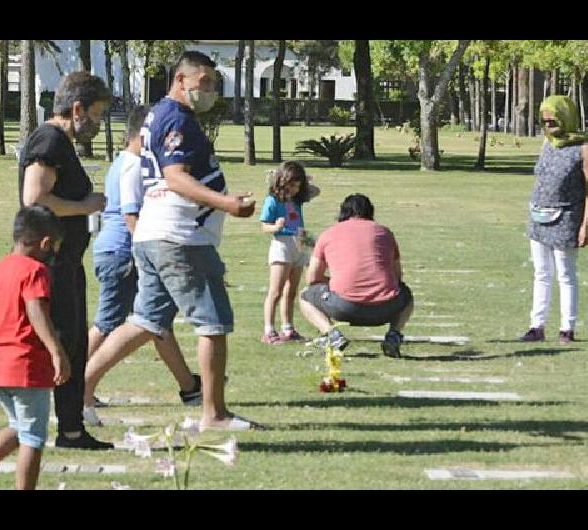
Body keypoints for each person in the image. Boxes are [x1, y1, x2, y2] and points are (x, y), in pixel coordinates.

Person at [83, 51, 258, 431]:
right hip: (180, 238)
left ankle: (77, 390)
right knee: (213, 323)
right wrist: (226, 204)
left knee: (145, 321)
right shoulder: (176, 117)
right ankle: (214, 415)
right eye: (204, 82)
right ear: (181, 80)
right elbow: (176, 177)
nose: (209, 90)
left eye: (214, 83)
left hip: (155, 233)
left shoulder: (159, 116)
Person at [0, 71, 113, 450]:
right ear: (76, 108)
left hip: (66, 259)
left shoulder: (61, 141)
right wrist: (84, 206)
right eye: (95, 113)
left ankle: (72, 430)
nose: (97, 123)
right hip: (51, 261)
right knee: (55, 343)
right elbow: (35, 197)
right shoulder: (49, 140)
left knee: (71, 342)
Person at [83, 106, 201, 424]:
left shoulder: (125, 162)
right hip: (124, 253)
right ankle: (74, 387)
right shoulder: (133, 165)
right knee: (109, 324)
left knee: (154, 320)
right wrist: (149, 255)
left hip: (120, 252)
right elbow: (130, 215)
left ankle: (190, 387)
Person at [0, 206, 70, 490]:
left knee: (19, 425)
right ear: (45, 243)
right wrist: (57, 351)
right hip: (27, 365)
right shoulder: (36, 270)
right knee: (33, 436)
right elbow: (36, 309)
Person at [520, 95, 588, 344]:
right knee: (541, 273)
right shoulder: (547, 142)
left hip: (566, 218)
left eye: (552, 118)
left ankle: (567, 328)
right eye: (544, 119)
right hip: (538, 216)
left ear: (565, 115)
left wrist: (585, 225)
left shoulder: (585, 146)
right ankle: (537, 326)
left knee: (565, 274)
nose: (548, 123)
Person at [299, 193, 414, 358]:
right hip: (386, 307)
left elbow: (312, 279)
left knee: (305, 295)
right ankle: (394, 334)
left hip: (345, 306)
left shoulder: (329, 234)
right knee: (406, 294)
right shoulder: (385, 232)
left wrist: (336, 282)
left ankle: (331, 334)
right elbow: (397, 277)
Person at [259, 161, 319, 344]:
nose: (294, 189)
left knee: (291, 290)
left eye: (297, 186)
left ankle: (288, 328)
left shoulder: (298, 199)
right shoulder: (273, 200)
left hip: (299, 242)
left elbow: (316, 191)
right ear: (282, 181)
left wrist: (305, 183)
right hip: (282, 245)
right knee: (275, 291)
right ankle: (269, 329)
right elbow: (264, 226)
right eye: (291, 185)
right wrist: (275, 226)